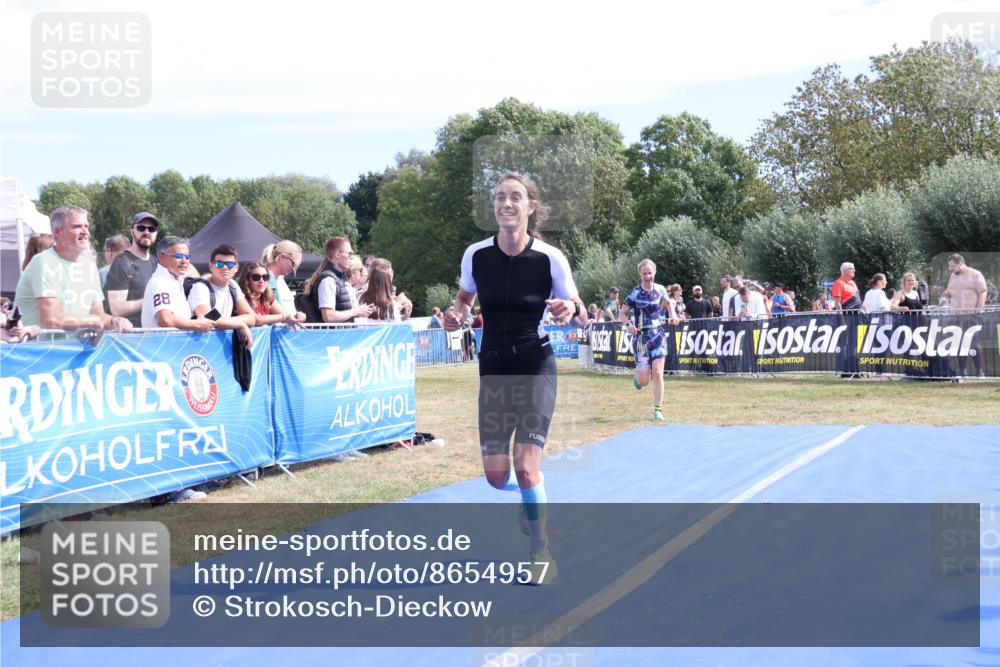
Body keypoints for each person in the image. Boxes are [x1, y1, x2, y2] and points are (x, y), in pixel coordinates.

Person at [442, 172, 587, 585]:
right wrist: (458, 317)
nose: (507, 203)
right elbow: (465, 301)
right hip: (493, 370)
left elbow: (578, 306)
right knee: (496, 476)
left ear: (530, 207)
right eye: (500, 197)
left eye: (515, 197)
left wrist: (569, 309)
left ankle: (540, 551)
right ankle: (529, 496)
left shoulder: (549, 258)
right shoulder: (475, 255)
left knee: (526, 466)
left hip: (535, 364)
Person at [14, 206, 131, 334]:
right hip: (38, 350)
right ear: (58, 232)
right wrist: (94, 321)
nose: (85, 231)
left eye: (86, 226)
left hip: (75, 349)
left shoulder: (89, 265)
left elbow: (99, 316)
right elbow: (52, 320)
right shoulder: (44, 262)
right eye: (77, 226)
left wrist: (116, 321)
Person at [620, 258, 679, 422]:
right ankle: (638, 377)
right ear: (640, 274)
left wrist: (673, 315)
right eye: (644, 273)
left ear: (654, 273)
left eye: (650, 273)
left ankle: (658, 410)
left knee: (659, 373)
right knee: (644, 381)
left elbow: (669, 303)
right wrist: (629, 324)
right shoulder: (635, 293)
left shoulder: (660, 289)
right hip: (641, 339)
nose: (647, 276)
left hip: (658, 335)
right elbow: (622, 313)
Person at [141, 236, 216, 332]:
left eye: (187, 257)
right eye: (179, 256)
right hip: (164, 345)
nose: (184, 261)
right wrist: (196, 324)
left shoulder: (175, 280)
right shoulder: (160, 282)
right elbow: (165, 320)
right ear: (161, 257)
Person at [186, 244, 256, 346]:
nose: (225, 267)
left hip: (222, 346)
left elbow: (251, 318)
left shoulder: (233, 285)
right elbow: (208, 317)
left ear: (236, 267)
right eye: (219, 264)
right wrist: (240, 324)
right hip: (199, 345)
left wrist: (223, 321)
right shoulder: (200, 287)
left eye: (230, 264)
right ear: (211, 266)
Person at [105, 212, 160, 327]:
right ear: (132, 231)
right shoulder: (122, 262)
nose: (146, 232)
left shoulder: (156, 262)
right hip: (129, 337)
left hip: (153, 335)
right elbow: (117, 308)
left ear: (156, 233)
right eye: (141, 228)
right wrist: (152, 301)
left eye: (151, 229)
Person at [302, 236, 374, 323]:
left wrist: (359, 312)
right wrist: (356, 311)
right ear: (337, 254)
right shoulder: (328, 280)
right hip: (334, 335)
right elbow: (328, 316)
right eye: (350, 253)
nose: (352, 257)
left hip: (340, 335)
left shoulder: (336, 279)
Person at [239, 260, 297, 326]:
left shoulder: (267, 297)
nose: (261, 281)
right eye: (256, 277)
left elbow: (284, 314)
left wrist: (296, 316)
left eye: (265, 277)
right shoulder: (241, 298)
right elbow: (257, 320)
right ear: (247, 280)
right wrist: (285, 317)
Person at [261, 241, 307, 322]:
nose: (293, 269)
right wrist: (292, 317)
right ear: (282, 258)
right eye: (293, 263)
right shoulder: (267, 279)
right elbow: (276, 311)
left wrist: (293, 316)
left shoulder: (275, 280)